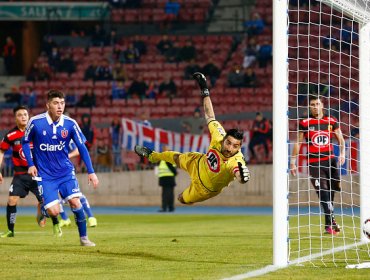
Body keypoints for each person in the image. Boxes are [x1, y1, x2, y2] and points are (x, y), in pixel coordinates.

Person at [135, 73, 251, 204]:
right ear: (224, 139)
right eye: (228, 143)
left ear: (239, 148)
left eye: (235, 146)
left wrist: (243, 177)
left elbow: (239, 175)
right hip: (197, 162)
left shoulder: (236, 161)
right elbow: (210, 115)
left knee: (182, 199)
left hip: (204, 189)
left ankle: (183, 199)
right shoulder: (219, 135)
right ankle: (152, 156)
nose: (230, 148)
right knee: (174, 157)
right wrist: (204, 89)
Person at [22, 89, 99, 246]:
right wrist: (30, 164)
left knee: (76, 203)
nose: (60, 106)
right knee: (54, 211)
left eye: (62, 103)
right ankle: (44, 210)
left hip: (65, 172)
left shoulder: (70, 124)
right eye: (56, 103)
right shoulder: (35, 122)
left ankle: (84, 238)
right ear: (48, 105)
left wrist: (91, 172)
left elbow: (82, 148)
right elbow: (25, 142)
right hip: (45, 175)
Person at [0, 106, 59, 238]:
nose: (23, 117)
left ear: (28, 116)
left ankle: (56, 223)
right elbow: (1, 151)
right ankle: (10, 231)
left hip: (37, 175)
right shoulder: (11, 135)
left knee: (47, 201)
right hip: (20, 176)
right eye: (20, 115)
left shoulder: (37, 132)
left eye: (25, 114)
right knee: (11, 200)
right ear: (15, 118)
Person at [290, 94, 345, 235]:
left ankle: (328, 224)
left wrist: (343, 154)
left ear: (322, 106)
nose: (315, 107)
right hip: (314, 163)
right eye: (312, 104)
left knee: (332, 192)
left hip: (331, 161)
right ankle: (332, 221)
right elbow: (298, 142)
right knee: (323, 192)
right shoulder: (305, 122)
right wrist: (293, 161)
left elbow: (341, 139)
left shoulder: (331, 121)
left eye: (317, 104)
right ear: (310, 107)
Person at [59, 141, 97, 228]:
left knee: (76, 196)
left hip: (66, 170)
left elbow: (77, 150)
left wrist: (67, 156)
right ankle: (65, 219)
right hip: (52, 171)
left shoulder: (66, 134)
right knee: (55, 198)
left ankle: (91, 217)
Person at [156, 145, 177, 212]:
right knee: (170, 194)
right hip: (169, 178)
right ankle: (171, 207)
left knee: (165, 194)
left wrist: (175, 172)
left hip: (165, 178)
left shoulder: (164, 157)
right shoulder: (168, 157)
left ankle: (164, 207)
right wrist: (175, 173)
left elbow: (168, 166)